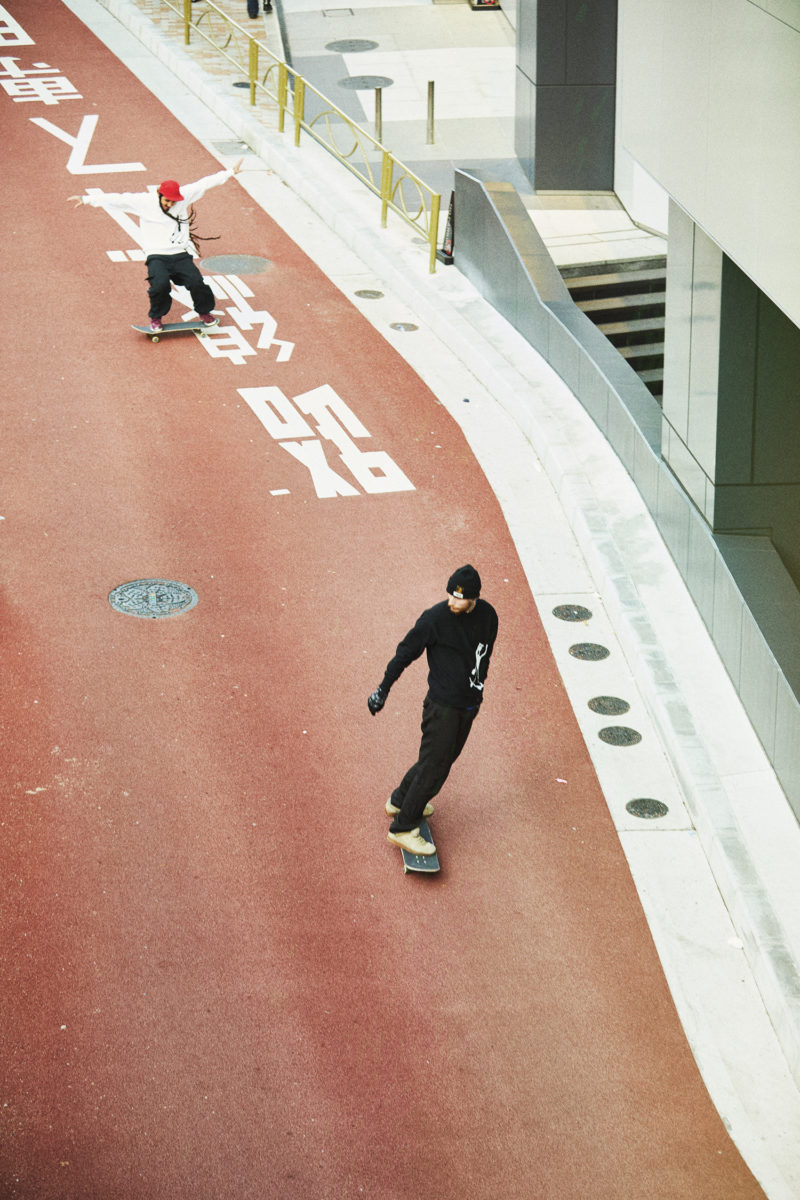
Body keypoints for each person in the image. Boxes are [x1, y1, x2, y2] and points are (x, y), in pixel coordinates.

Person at [368, 564, 498, 856]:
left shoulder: (489, 616)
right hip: (442, 708)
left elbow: (484, 656)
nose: (451, 601)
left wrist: (477, 691)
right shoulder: (435, 619)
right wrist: (383, 689)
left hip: (468, 704)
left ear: (473, 598)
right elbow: (404, 654)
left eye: (458, 598)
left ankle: (400, 800)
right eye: (450, 594)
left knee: (438, 761)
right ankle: (403, 828)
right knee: (435, 768)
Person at [69, 160, 243, 332]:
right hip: (157, 255)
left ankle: (204, 313)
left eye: (173, 202)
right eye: (167, 201)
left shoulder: (184, 196)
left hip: (180, 254)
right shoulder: (144, 201)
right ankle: (156, 318)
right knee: (160, 285)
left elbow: (204, 183)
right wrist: (86, 199)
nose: (170, 205)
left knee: (197, 283)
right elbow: (117, 199)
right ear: (159, 195)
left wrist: (230, 172)